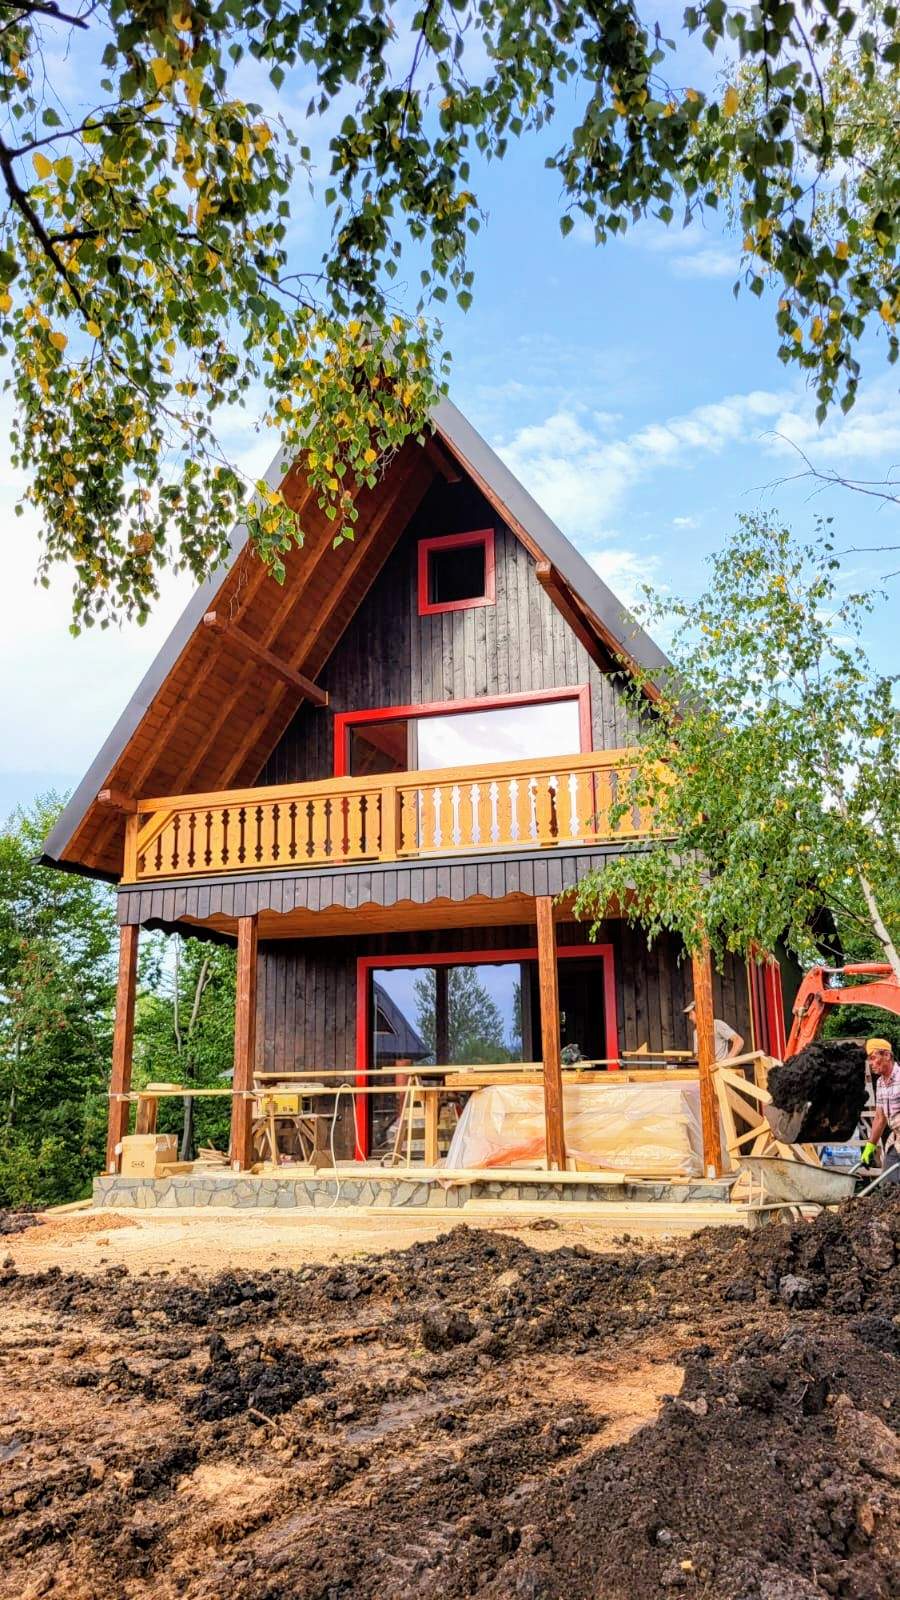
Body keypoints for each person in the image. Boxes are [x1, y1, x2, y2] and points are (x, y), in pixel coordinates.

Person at [861, 1038, 900, 1184]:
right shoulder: (880, 1083)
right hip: (896, 1139)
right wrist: (870, 1145)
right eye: (869, 1060)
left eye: (873, 1058)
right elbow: (880, 1117)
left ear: (887, 1056)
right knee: (888, 1185)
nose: (871, 1064)